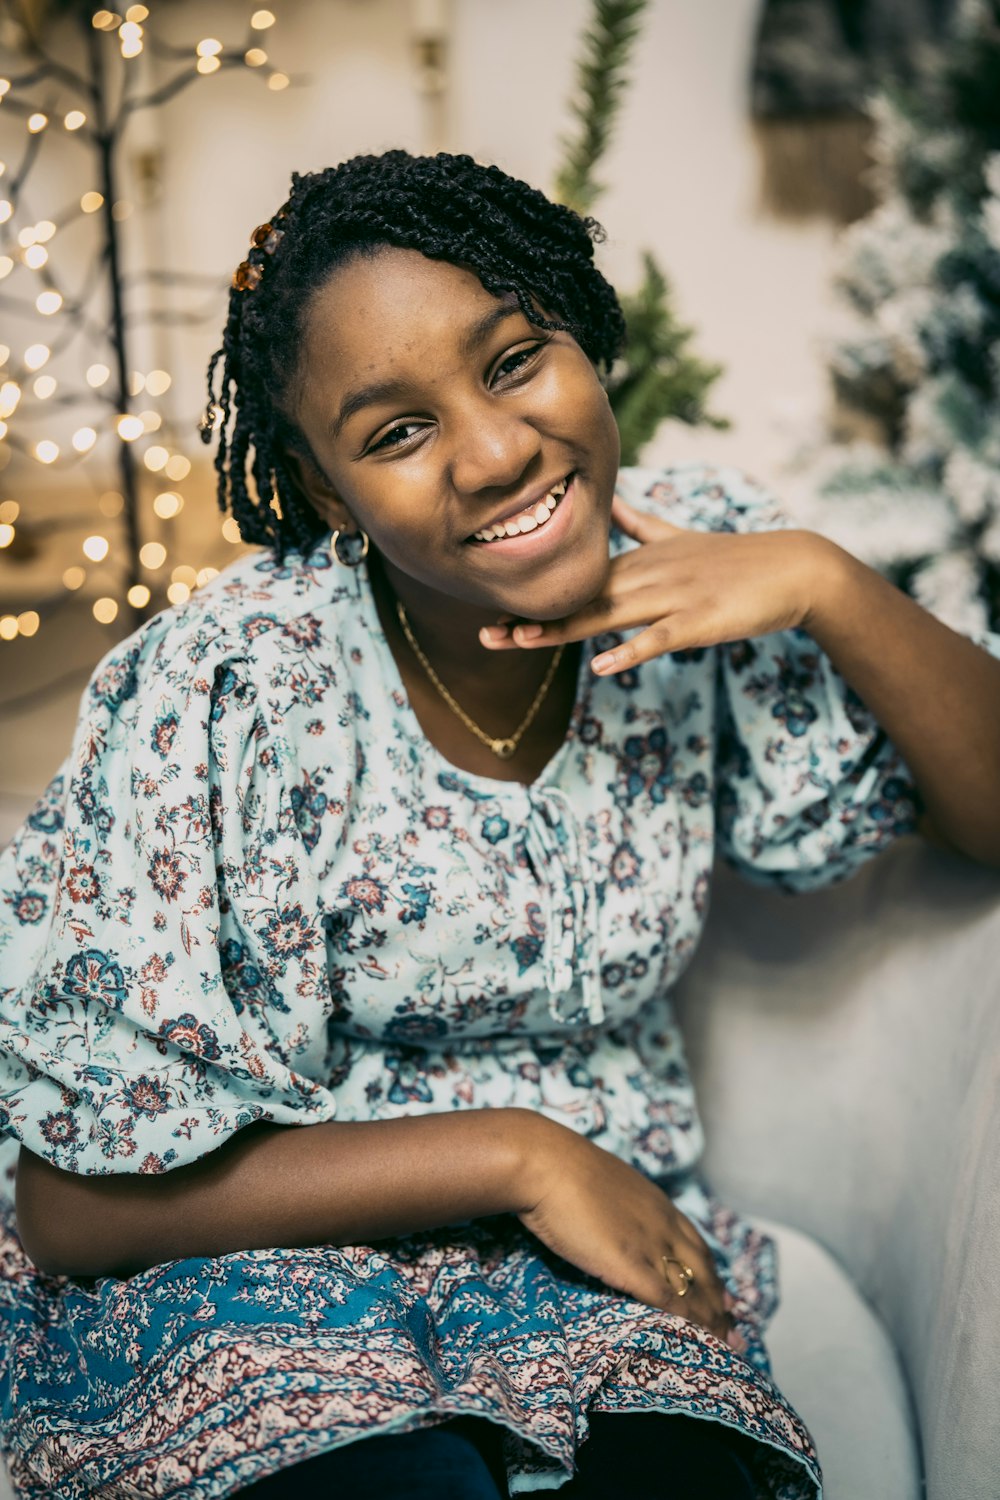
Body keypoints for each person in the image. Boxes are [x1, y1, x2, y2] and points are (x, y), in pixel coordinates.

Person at [1, 150, 998, 1500]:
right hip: (261, 1279)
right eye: (394, 433)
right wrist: (518, 1152)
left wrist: (829, 586)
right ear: (321, 491)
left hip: (599, 1281)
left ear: (581, 333)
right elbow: (67, 1208)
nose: (495, 451)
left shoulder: (705, 568)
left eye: (516, 358)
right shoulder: (228, 691)